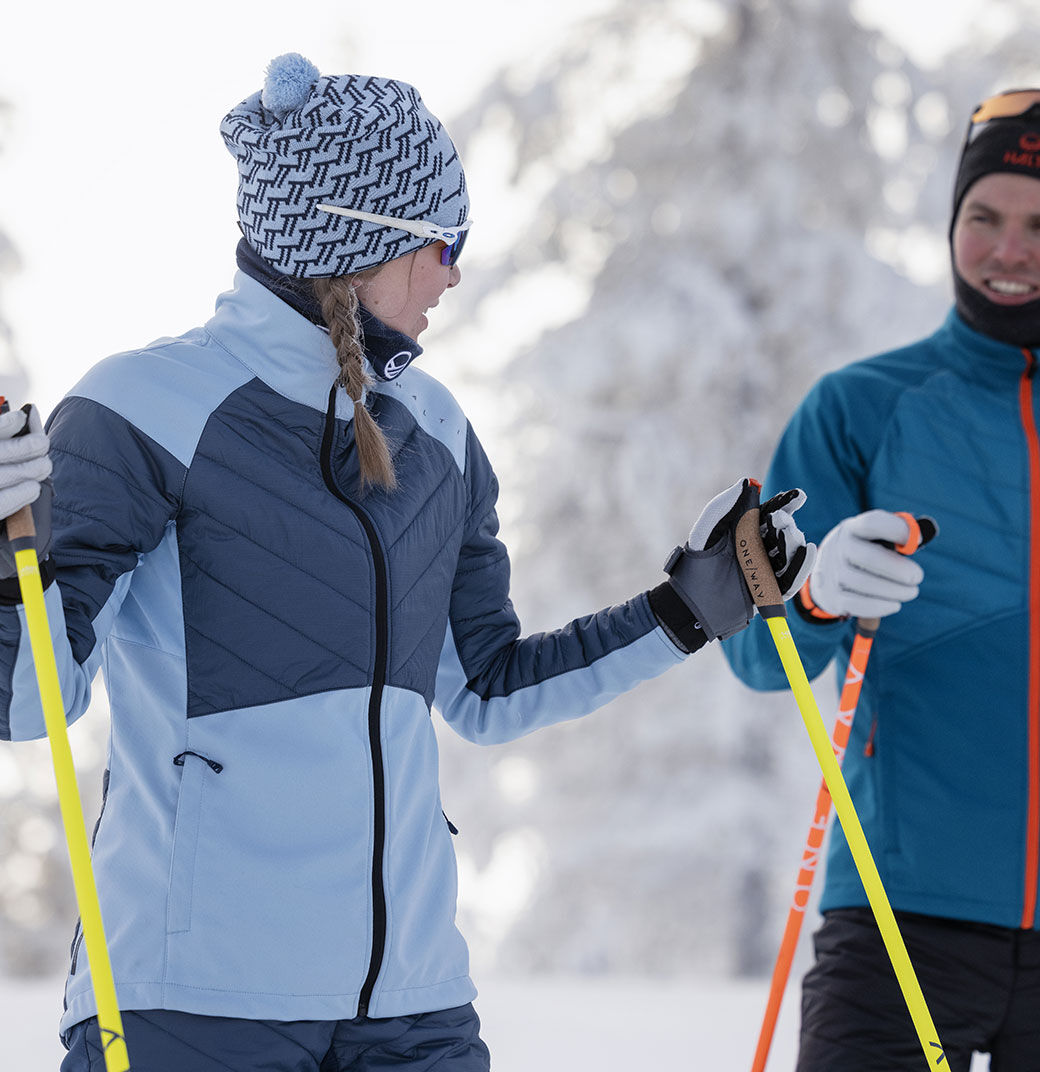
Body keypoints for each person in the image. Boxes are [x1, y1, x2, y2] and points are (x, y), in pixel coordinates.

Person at [0, 54, 814, 1072]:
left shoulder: (434, 434)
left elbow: (487, 688)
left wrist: (689, 607)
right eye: (441, 243)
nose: (455, 272)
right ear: (358, 247)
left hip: (412, 1008)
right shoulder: (144, 409)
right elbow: (26, 700)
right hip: (195, 1002)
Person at [724, 87, 1040, 1071]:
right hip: (895, 920)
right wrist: (819, 595)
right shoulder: (858, 411)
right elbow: (759, 659)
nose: (1010, 249)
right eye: (984, 218)